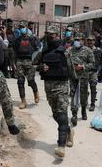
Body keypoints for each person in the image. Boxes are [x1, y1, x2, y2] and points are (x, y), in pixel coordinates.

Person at [33, 25, 75, 158]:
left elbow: (71, 69)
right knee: (56, 115)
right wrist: (40, 67)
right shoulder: (43, 52)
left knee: (62, 114)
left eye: (53, 34)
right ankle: (69, 131)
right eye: (49, 34)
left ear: (58, 35)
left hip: (62, 86)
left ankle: (61, 146)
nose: (51, 37)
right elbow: (31, 66)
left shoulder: (65, 51)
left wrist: (74, 85)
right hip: (49, 87)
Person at [67, 33, 95, 125]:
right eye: (76, 40)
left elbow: (92, 64)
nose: (77, 42)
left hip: (83, 77)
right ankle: (74, 114)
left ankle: (83, 109)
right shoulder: (70, 50)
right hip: (73, 76)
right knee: (73, 94)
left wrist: (82, 66)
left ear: (83, 40)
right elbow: (65, 59)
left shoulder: (88, 51)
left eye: (79, 40)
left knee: (83, 95)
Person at [13, 25, 39, 109]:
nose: (22, 29)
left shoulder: (32, 39)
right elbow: (14, 51)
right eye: (21, 27)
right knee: (20, 81)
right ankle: (23, 101)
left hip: (29, 61)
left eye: (23, 27)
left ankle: (36, 92)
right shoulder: (17, 40)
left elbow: (37, 49)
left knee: (31, 80)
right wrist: (14, 63)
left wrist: (35, 62)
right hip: (20, 61)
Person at [86, 36, 102, 111]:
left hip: (94, 71)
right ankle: (85, 100)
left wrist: (98, 72)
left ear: (94, 41)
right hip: (85, 71)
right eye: (88, 40)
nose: (90, 42)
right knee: (83, 88)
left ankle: (92, 104)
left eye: (91, 40)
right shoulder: (84, 50)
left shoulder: (99, 51)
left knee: (93, 87)